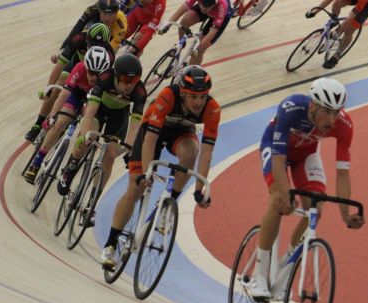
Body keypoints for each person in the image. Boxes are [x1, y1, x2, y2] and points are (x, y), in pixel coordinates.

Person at [248, 77, 365, 299]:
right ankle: (259, 274)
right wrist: (285, 195)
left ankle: (286, 266)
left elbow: (342, 173)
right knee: (279, 201)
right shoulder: (291, 108)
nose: (331, 119)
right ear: (312, 105)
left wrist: (346, 215)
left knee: (316, 208)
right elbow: (279, 161)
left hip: (307, 155)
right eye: (326, 111)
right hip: (276, 149)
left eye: (336, 112)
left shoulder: (344, 126)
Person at [99, 65, 220, 269]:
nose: (199, 102)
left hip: (181, 133)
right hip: (151, 133)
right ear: (182, 92)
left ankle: (169, 203)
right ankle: (111, 244)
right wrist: (146, 173)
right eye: (193, 97)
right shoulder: (167, 96)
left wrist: (200, 189)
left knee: (192, 152)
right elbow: (150, 139)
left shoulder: (212, 108)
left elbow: (207, 152)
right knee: (135, 188)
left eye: (202, 96)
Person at [56, 54, 147, 228]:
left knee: (110, 155)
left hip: (118, 117)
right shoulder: (105, 78)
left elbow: (135, 125)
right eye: (126, 81)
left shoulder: (140, 92)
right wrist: (84, 134)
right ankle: (71, 167)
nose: (129, 85)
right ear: (116, 76)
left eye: (134, 81)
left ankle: (91, 204)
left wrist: (128, 147)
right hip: (98, 110)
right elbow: (90, 112)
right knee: (87, 138)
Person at [23, 46, 112, 184]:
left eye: (98, 74)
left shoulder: (107, 79)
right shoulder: (79, 68)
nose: (94, 77)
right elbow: (64, 94)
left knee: (84, 132)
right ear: (86, 67)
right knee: (60, 122)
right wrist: (52, 117)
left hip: (92, 101)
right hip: (75, 94)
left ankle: (70, 164)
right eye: (91, 72)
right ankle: (36, 163)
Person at [25, 23, 114, 142]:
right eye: (92, 45)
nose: (94, 48)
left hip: (91, 75)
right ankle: (38, 123)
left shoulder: (110, 56)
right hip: (76, 67)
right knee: (59, 82)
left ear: (106, 44)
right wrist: (49, 88)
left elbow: (102, 81)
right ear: (86, 39)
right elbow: (60, 65)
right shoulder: (78, 39)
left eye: (99, 46)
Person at [305, 0, 368, 69]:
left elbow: (350, 17)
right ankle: (334, 21)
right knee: (337, 2)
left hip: (366, 5)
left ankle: (337, 55)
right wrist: (315, 11)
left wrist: (337, 32)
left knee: (349, 30)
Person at [158, 0, 232, 66]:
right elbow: (181, 10)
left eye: (206, 6)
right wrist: (167, 25)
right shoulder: (204, 7)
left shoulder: (222, 5)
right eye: (202, 5)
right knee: (185, 21)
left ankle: (190, 73)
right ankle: (182, 43)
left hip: (223, 15)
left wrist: (198, 48)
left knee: (199, 50)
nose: (203, 8)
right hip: (210, 10)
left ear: (213, 4)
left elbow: (212, 32)